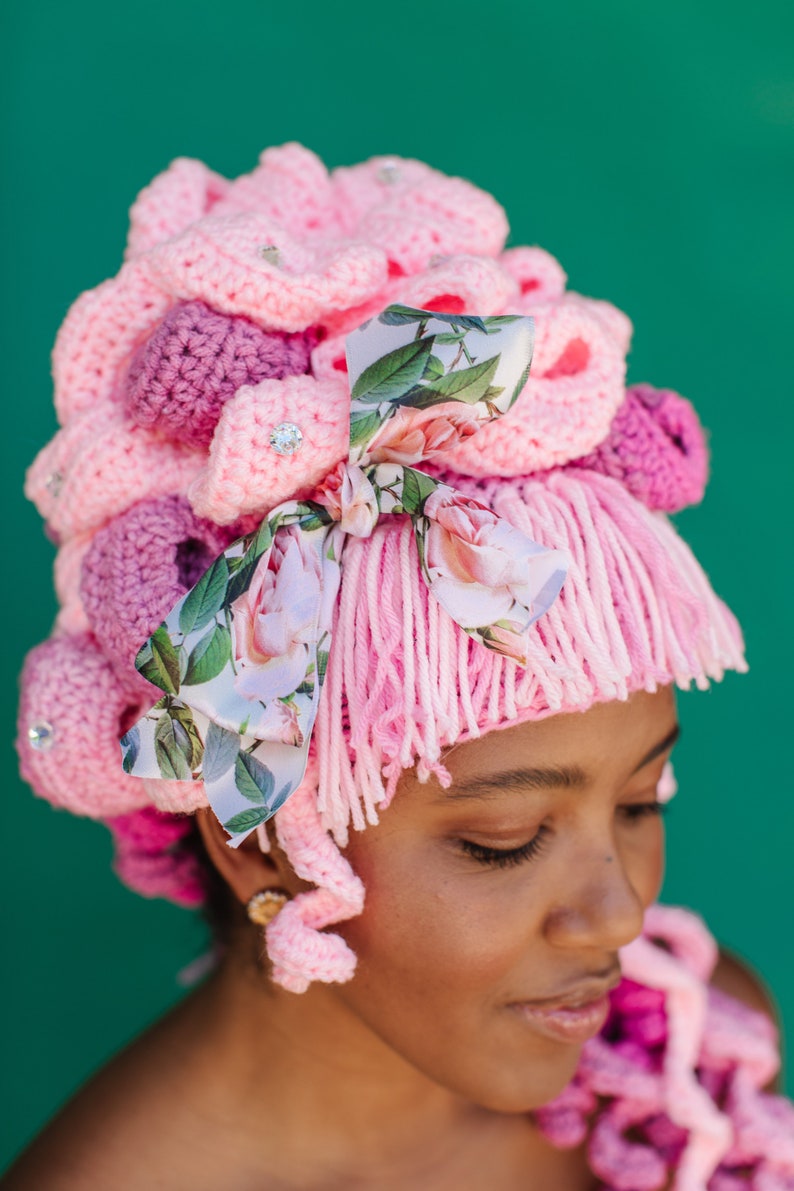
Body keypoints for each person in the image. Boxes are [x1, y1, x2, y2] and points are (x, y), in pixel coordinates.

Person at [7, 144, 794, 1189]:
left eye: (640, 801)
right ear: (259, 847)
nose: (618, 915)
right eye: (502, 842)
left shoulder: (680, 1060)